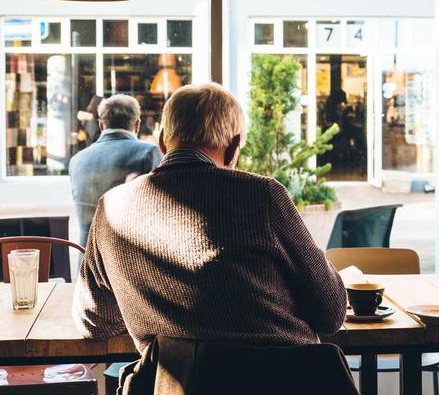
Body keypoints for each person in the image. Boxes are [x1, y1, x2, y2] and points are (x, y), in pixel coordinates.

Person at [73, 82, 347, 362]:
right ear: (233, 147)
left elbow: (95, 322)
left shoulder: (111, 207)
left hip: (174, 386)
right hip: (283, 380)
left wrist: (151, 308)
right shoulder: (262, 196)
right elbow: (330, 313)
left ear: (163, 140)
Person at [69, 94, 162, 248]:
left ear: (101, 125)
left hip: (86, 262)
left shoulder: (77, 160)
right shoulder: (149, 153)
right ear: (137, 125)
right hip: (128, 262)